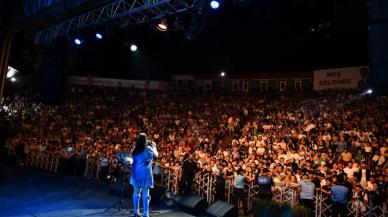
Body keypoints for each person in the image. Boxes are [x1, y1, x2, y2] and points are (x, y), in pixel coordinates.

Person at [130, 133, 158, 217]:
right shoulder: (148, 148)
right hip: (145, 174)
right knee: (145, 194)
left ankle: (136, 211)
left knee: (136, 192)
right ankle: (145, 213)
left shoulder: (135, 149)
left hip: (135, 173)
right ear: (146, 140)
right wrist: (154, 146)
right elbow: (156, 156)